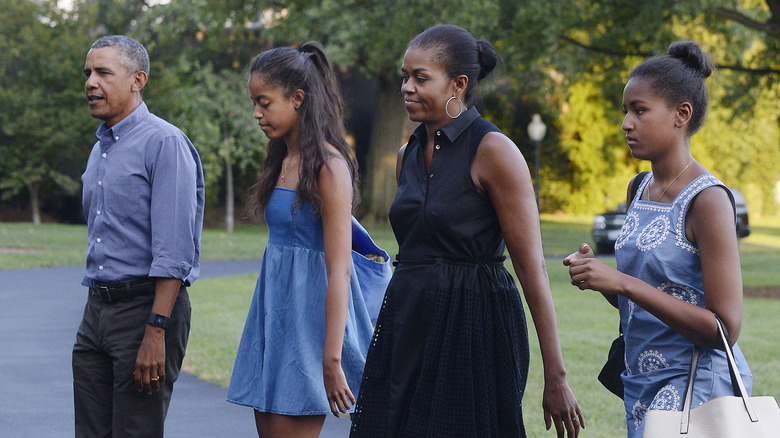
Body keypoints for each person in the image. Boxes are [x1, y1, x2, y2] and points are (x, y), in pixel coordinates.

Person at [350, 25, 583, 438]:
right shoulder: (405, 154)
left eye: (421, 78)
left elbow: (532, 269)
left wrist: (557, 375)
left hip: (474, 327)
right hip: (407, 320)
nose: (407, 87)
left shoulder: (494, 150)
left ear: (458, 85)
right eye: (405, 76)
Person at [564, 41, 752, 438]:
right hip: (642, 382)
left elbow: (724, 329)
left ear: (682, 115)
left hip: (697, 387)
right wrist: (597, 278)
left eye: (640, 110)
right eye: (625, 111)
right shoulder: (639, 187)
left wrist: (622, 282)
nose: (626, 123)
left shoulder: (709, 200)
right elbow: (646, 297)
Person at [226, 41, 376, 438]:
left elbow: (340, 269)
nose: (257, 113)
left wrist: (331, 358)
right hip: (274, 313)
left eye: (264, 102)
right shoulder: (282, 157)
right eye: (254, 103)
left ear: (297, 99)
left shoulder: (328, 165)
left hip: (310, 323)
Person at [73, 35, 204, 437]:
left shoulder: (163, 143)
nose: (91, 83)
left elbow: (175, 250)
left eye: (103, 73)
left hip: (146, 311)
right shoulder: (102, 148)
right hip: (97, 310)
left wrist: (155, 329)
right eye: (88, 73)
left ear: (137, 80)